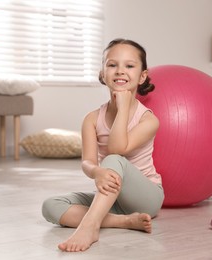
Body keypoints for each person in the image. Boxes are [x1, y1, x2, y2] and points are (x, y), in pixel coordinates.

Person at [42, 38, 164, 252]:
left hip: (146, 198)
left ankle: (90, 226)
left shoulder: (148, 120)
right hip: (112, 198)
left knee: (113, 159)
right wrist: (96, 172)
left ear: (142, 76)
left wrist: (124, 106)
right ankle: (123, 221)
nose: (120, 71)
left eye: (129, 65)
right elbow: (87, 162)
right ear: (102, 73)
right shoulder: (91, 119)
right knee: (51, 206)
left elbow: (117, 150)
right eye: (112, 64)